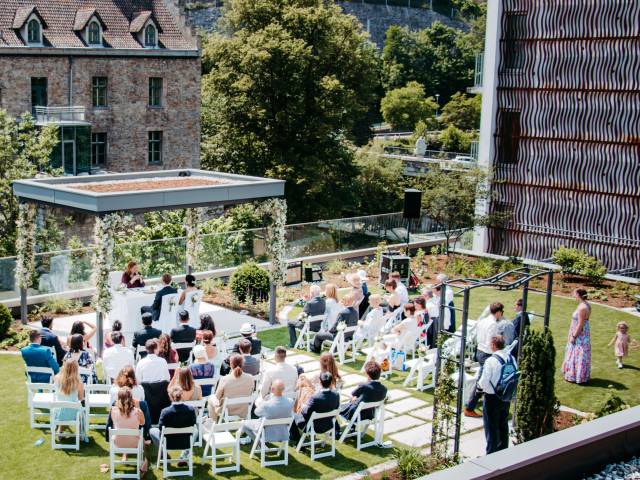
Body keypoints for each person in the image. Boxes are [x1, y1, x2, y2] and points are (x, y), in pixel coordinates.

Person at [465, 302, 505, 417]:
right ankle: (469, 407)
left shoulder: (483, 321)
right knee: (482, 382)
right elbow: (490, 343)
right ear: (498, 312)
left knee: (482, 380)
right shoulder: (493, 324)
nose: (501, 315)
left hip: (479, 351)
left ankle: (473, 405)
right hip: (487, 354)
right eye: (501, 312)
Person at [478, 335, 516, 454]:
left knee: (491, 427)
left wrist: (479, 388)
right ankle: (503, 451)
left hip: (492, 397)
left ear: (494, 345)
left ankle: (491, 453)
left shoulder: (491, 360)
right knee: (503, 424)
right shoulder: (511, 358)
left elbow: (484, 381)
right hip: (506, 396)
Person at [290, 372, 340, 442]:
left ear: (320, 382)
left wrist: (302, 406)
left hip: (313, 426)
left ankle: (297, 441)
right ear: (331, 382)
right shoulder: (336, 395)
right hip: (328, 425)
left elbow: (305, 412)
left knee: (292, 414)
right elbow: (336, 409)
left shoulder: (315, 398)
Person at [241, 379, 293, 445]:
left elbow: (256, 412)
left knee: (244, 424)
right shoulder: (290, 402)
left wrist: (262, 403)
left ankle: (259, 444)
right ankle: (259, 444)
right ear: (283, 389)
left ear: (272, 389)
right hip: (282, 433)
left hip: (267, 433)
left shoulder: (267, 404)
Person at [109, 387, 149, 474]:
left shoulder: (113, 411)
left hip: (118, 442)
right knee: (142, 439)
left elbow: (114, 424)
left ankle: (125, 455)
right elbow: (142, 423)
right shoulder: (138, 411)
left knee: (124, 432)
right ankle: (145, 460)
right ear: (131, 399)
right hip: (134, 443)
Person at [149, 386, 197, 455]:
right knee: (196, 431)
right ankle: (185, 454)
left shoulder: (165, 412)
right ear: (181, 395)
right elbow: (193, 425)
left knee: (152, 430)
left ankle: (164, 453)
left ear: (170, 397)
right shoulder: (191, 410)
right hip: (185, 442)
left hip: (168, 443)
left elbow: (160, 428)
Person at [208, 355, 254, 421]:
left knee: (211, 398)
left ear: (230, 364)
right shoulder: (250, 378)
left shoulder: (225, 379)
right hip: (243, 410)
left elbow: (217, 397)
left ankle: (213, 423)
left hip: (226, 410)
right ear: (243, 364)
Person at [562, 288, 592, 384]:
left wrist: (574, 336)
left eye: (574, 293)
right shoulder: (585, 305)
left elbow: (580, 324)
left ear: (578, 295)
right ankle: (576, 374)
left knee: (578, 353)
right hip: (581, 332)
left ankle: (576, 376)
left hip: (580, 333)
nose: (573, 295)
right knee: (576, 352)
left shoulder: (582, 307)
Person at [53, 359, 85, 427]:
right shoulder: (78, 382)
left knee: (65, 406)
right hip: (73, 414)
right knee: (80, 408)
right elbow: (81, 398)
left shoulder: (56, 378)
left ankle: (60, 429)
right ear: (76, 369)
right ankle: (80, 432)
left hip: (58, 413)